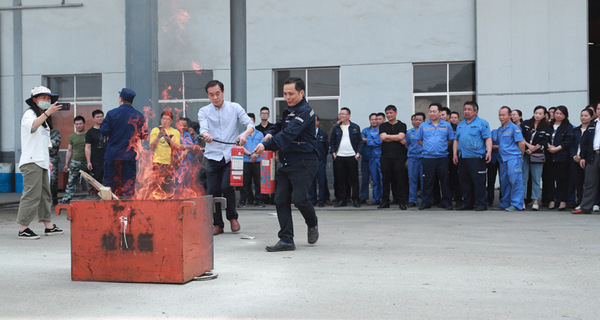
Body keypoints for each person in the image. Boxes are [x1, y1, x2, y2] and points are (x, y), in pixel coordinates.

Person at [253, 77, 319, 252]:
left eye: (291, 93)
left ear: (301, 92)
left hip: (304, 161)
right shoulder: (289, 110)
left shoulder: (305, 111)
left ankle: (312, 223)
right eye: (284, 94)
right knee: (280, 200)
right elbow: (280, 126)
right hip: (286, 161)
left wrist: (266, 145)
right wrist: (269, 132)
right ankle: (286, 240)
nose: (287, 97)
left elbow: (289, 134)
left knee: (299, 199)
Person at [198, 80, 254, 235]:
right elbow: (203, 127)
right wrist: (206, 135)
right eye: (211, 95)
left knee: (227, 186)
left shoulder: (234, 107)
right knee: (213, 190)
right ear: (208, 95)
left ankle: (232, 217)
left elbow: (250, 125)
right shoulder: (204, 111)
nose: (215, 97)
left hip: (231, 155)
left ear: (223, 92)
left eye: (217, 93)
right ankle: (218, 224)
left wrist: (244, 134)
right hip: (212, 155)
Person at [17, 86, 64, 239]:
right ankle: (23, 228)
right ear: (34, 100)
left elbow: (44, 144)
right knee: (31, 195)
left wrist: (49, 161)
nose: (47, 101)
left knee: (45, 195)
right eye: (43, 98)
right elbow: (32, 127)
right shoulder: (29, 114)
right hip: (31, 161)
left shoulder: (45, 122)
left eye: (49, 99)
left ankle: (48, 225)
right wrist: (47, 112)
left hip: (42, 161)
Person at [100, 88, 148, 197]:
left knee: (110, 184)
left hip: (113, 155)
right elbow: (144, 136)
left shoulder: (112, 114)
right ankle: (128, 209)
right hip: (129, 156)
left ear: (120, 99)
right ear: (132, 101)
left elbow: (104, 131)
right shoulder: (138, 115)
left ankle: (109, 208)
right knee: (128, 185)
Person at [452, 101, 492, 211]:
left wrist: (489, 152)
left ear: (475, 111)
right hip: (463, 157)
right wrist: (455, 154)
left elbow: (487, 138)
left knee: (479, 182)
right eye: (465, 109)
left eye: (469, 109)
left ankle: (481, 203)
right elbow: (456, 140)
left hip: (477, 157)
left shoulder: (482, 123)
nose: (466, 111)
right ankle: (467, 203)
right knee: (465, 181)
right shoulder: (461, 125)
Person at [416, 103, 454, 210]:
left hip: (442, 157)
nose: (432, 113)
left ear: (440, 112)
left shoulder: (446, 125)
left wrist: (442, 147)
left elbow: (451, 140)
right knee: (428, 181)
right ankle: (426, 202)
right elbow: (419, 139)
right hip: (428, 158)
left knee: (445, 181)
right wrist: (428, 147)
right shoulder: (423, 125)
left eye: (434, 111)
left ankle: (446, 202)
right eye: (430, 111)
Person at [330, 107, 362, 208]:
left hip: (352, 156)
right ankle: (342, 200)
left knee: (354, 180)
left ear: (348, 116)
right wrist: (334, 153)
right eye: (340, 114)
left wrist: (357, 154)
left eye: (343, 114)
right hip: (339, 157)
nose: (341, 116)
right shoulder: (336, 128)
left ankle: (356, 199)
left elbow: (360, 141)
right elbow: (332, 141)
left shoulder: (355, 127)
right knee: (340, 180)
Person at [571, 104, 600, 214]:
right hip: (593, 155)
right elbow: (584, 142)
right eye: (598, 109)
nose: (599, 111)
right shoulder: (593, 124)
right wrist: (583, 157)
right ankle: (585, 207)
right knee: (589, 182)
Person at [379, 105, 408, 210]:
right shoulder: (383, 126)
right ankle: (385, 201)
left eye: (391, 113)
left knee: (400, 180)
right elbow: (383, 138)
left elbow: (401, 136)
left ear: (396, 113)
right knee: (385, 180)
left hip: (399, 157)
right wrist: (396, 138)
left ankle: (402, 201)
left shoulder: (402, 125)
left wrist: (388, 136)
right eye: (387, 113)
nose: (389, 115)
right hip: (385, 156)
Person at [521, 106, 549, 210]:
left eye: (540, 113)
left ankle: (536, 200)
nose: (537, 115)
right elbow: (520, 137)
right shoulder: (526, 124)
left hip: (537, 155)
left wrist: (534, 149)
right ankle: (522, 200)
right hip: (525, 153)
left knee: (536, 178)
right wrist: (528, 147)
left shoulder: (546, 126)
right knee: (524, 178)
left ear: (544, 115)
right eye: (536, 113)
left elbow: (545, 142)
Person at [497, 106, 525, 211]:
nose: (501, 117)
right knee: (504, 181)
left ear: (509, 115)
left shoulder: (514, 128)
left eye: (503, 115)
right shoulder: (500, 130)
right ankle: (505, 203)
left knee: (515, 181)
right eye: (499, 115)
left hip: (513, 158)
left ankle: (517, 204)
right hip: (503, 159)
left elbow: (521, 143)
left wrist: (520, 156)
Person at [545, 105, 573, 210]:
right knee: (550, 179)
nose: (558, 115)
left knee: (562, 179)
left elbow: (568, 141)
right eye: (556, 113)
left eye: (561, 114)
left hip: (561, 156)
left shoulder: (568, 127)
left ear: (565, 115)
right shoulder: (549, 125)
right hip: (549, 155)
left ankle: (563, 200)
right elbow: (544, 137)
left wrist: (556, 149)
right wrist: (548, 146)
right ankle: (552, 200)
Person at [149, 111, 181, 196]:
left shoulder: (175, 132)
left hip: (170, 162)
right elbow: (152, 145)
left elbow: (177, 147)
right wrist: (158, 137)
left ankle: (167, 199)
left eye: (168, 119)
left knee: (167, 185)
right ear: (160, 119)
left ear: (171, 121)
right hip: (157, 162)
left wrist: (170, 141)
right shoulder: (155, 130)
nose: (165, 121)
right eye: (163, 118)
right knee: (156, 184)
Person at [59, 116, 88, 204]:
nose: (79, 126)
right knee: (71, 182)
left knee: (91, 183)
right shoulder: (72, 137)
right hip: (75, 162)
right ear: (75, 125)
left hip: (87, 162)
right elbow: (69, 150)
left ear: (84, 124)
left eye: (80, 124)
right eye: (77, 124)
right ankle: (66, 200)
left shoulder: (88, 135)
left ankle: (93, 199)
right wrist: (66, 164)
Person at [239, 113, 265, 207]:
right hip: (246, 161)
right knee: (245, 182)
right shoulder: (242, 135)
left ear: (254, 121)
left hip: (257, 161)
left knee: (258, 182)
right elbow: (240, 147)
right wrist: (250, 155)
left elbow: (263, 146)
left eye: (251, 120)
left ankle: (259, 201)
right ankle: (244, 201)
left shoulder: (260, 134)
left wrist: (255, 155)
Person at [570, 108, 594, 207]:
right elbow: (571, 145)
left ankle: (592, 203)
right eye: (582, 115)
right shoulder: (575, 130)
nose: (583, 118)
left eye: (586, 116)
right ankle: (580, 202)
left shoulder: (593, 129)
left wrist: (583, 157)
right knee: (578, 182)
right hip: (576, 159)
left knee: (589, 183)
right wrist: (574, 155)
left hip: (588, 159)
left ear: (591, 117)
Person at [309, 115, 330, 207]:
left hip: (320, 161)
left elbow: (326, 148)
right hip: (310, 162)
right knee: (311, 182)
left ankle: (321, 200)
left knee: (321, 181)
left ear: (318, 122)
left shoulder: (323, 134)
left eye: (315, 121)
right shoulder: (307, 134)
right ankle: (312, 199)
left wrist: (322, 157)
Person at [404, 112, 425, 207]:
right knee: (412, 179)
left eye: (420, 120)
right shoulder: (409, 132)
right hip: (412, 158)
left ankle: (425, 200)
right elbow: (407, 144)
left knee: (424, 180)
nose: (418, 122)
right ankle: (412, 200)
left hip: (423, 158)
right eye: (416, 120)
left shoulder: (426, 131)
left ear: (424, 121)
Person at [85, 109, 107, 194]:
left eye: (101, 117)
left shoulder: (107, 130)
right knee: (97, 182)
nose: (100, 118)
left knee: (108, 181)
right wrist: (88, 162)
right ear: (93, 119)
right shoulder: (90, 133)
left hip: (107, 159)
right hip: (96, 161)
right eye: (97, 117)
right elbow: (87, 147)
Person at [364, 113, 382, 205]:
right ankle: (376, 199)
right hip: (373, 157)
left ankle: (383, 198)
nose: (377, 121)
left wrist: (376, 141)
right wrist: (378, 141)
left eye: (379, 119)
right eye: (375, 119)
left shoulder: (385, 130)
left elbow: (382, 141)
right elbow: (369, 142)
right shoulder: (372, 131)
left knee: (383, 179)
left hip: (382, 157)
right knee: (375, 179)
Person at [359, 115, 375, 204]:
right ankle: (363, 196)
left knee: (376, 179)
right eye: (371, 119)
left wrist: (367, 140)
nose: (373, 121)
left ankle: (376, 197)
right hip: (365, 157)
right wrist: (371, 140)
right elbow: (361, 139)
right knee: (365, 178)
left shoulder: (380, 130)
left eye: (375, 119)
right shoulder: (365, 130)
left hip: (376, 157)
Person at [487, 129, 501, 207]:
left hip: (502, 158)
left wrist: (497, 147)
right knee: (490, 180)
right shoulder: (494, 131)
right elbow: (489, 144)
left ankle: (503, 199)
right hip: (492, 159)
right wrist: (494, 147)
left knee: (503, 181)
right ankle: (489, 200)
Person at [49, 128, 61, 206]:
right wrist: (50, 142)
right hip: (41, 158)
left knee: (53, 181)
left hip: (52, 159)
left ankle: (54, 199)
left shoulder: (55, 132)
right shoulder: (39, 131)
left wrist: (47, 142)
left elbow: (56, 144)